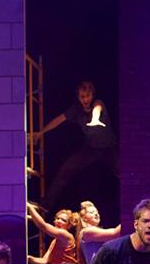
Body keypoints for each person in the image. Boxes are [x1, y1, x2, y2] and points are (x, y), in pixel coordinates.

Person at [36, 81, 117, 211]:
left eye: (88, 96)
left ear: (92, 95)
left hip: (109, 147)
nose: (85, 99)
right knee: (65, 170)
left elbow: (97, 109)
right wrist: (41, 132)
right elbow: (58, 120)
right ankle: (46, 204)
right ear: (78, 97)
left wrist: (95, 120)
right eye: (82, 96)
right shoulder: (76, 109)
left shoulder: (98, 103)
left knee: (122, 171)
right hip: (91, 148)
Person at [76, 200, 122, 264]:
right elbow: (115, 234)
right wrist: (129, 218)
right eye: (91, 212)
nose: (96, 214)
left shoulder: (93, 232)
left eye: (97, 212)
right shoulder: (87, 232)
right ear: (84, 218)